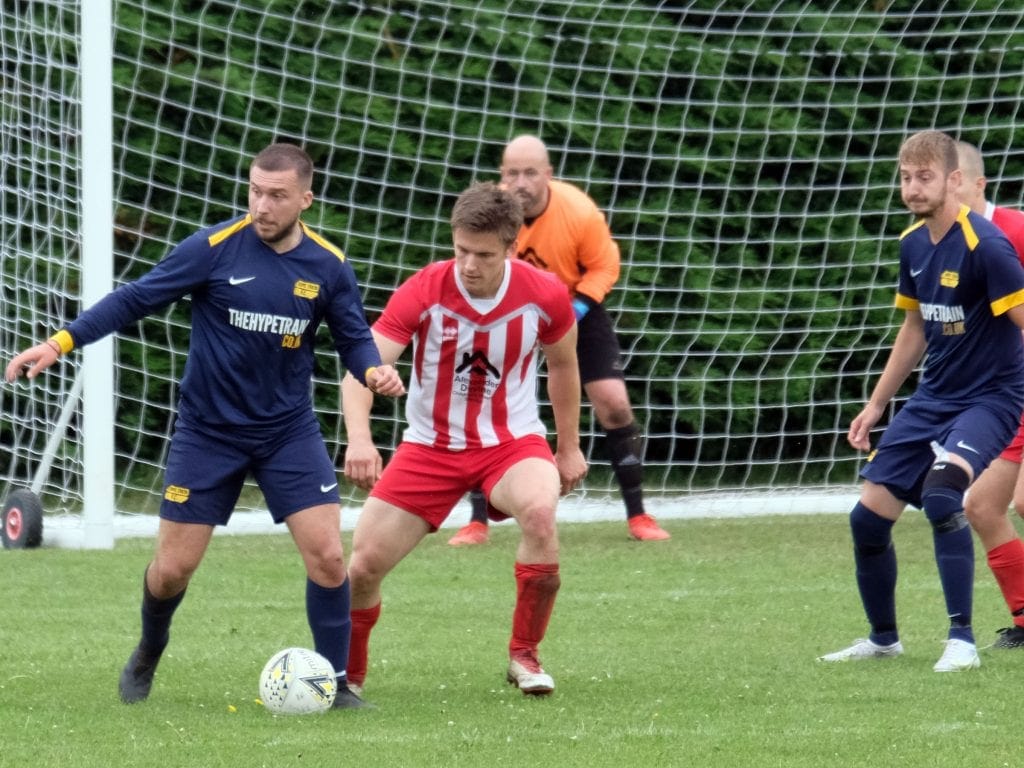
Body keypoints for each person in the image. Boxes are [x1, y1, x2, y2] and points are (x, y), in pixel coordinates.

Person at [4, 142, 404, 707]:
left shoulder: (328, 266)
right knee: (171, 571)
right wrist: (59, 342)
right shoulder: (213, 250)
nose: (261, 206)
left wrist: (373, 372)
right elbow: (133, 299)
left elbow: (354, 338)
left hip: (287, 432)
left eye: (276, 196)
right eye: (255, 191)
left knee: (330, 556)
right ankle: (147, 652)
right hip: (208, 433)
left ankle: (335, 685)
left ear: (305, 199)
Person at [340, 181, 588, 696]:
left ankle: (524, 657)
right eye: (460, 251)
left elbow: (564, 367)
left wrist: (568, 447)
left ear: (511, 248)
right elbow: (361, 367)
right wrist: (360, 439)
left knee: (541, 515)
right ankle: (350, 679)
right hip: (430, 446)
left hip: (511, 442)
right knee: (362, 567)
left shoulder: (544, 295)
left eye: (483, 254)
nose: (469, 264)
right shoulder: (424, 289)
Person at [818, 129, 1024, 672]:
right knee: (867, 519)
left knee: (942, 495)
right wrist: (877, 403)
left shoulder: (988, 245)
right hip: (934, 398)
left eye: (924, 176)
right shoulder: (912, 243)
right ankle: (883, 638)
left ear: (955, 180)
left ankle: (962, 640)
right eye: (906, 177)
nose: (913, 187)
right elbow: (914, 327)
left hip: (992, 398)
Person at [447, 134, 669, 546]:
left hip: (576, 310)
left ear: (548, 174)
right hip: (509, 314)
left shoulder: (580, 212)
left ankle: (639, 516)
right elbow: (470, 262)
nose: (520, 182)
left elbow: (605, 266)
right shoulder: (490, 214)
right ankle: (476, 521)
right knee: (480, 401)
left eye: (530, 172)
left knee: (614, 404)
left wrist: (577, 310)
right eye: (512, 172)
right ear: (502, 174)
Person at [957, 140, 1024, 649]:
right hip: (1007, 394)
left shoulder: (1014, 230)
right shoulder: (942, 243)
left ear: (975, 183)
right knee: (983, 506)